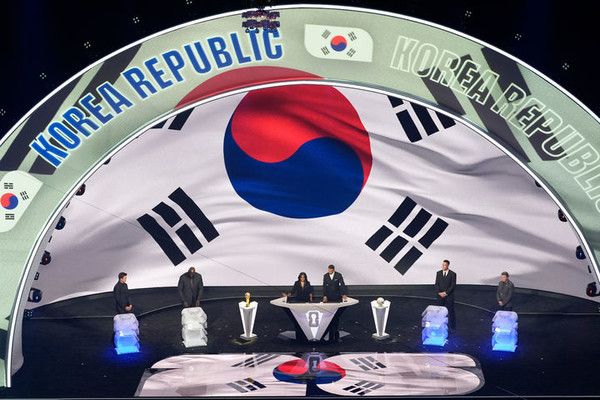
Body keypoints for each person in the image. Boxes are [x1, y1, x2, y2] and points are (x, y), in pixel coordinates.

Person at [322, 264, 348, 343]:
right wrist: (325, 296)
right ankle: (329, 334)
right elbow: (324, 286)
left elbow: (342, 285)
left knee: (336, 316)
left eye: (330, 270)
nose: (329, 271)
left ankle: (336, 335)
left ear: (333, 269)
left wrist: (343, 294)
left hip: (337, 297)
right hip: (329, 298)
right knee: (329, 315)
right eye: (328, 269)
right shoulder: (325, 276)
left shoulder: (338, 275)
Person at [434, 259, 456, 331]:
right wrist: (439, 292)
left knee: (451, 311)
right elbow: (436, 284)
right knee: (439, 311)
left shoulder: (453, 274)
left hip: (449, 296)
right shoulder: (438, 273)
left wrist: (445, 293)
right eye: (442, 265)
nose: (443, 266)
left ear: (448, 265)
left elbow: (453, 285)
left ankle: (452, 327)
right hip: (440, 296)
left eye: (445, 265)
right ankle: (439, 325)